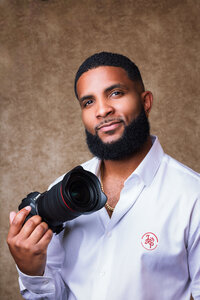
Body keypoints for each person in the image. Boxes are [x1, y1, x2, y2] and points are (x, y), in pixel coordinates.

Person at [7, 52, 200, 300]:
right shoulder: (62, 191)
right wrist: (30, 270)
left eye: (116, 93)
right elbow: (50, 295)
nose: (102, 110)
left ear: (146, 102)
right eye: (88, 102)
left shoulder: (192, 196)